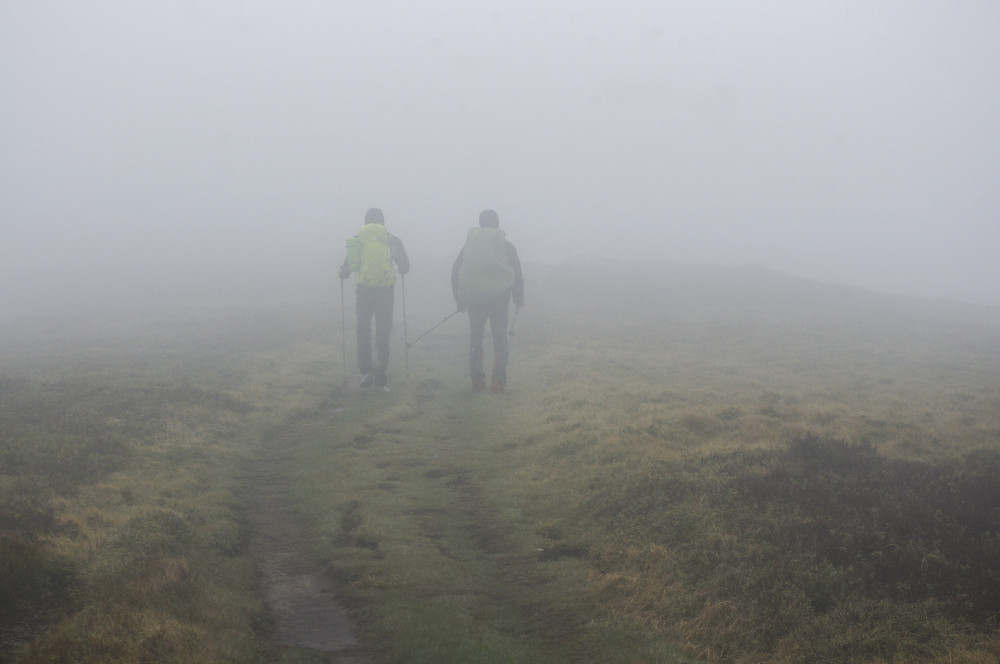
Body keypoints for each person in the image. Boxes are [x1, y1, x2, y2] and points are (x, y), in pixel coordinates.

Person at [452, 209, 524, 393]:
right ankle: (498, 383)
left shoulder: (469, 247)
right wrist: (518, 298)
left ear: (480, 224)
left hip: (475, 301)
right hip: (499, 302)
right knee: (500, 339)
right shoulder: (507, 246)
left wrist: (459, 299)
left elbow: (455, 270)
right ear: (497, 224)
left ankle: (477, 381)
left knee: (476, 339)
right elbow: (517, 273)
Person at [339, 207, 410, 389]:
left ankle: (366, 371)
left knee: (363, 329)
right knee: (383, 330)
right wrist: (399, 268)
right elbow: (406, 266)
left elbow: (346, 270)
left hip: (364, 291)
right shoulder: (391, 239)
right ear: (382, 221)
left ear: (366, 222)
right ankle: (381, 373)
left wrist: (341, 272)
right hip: (385, 291)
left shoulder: (358, 239)